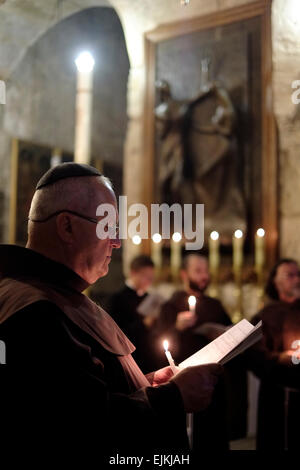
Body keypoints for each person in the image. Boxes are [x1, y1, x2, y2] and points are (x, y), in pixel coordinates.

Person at [0, 163, 222, 460]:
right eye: (108, 227)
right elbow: (75, 426)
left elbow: (82, 390)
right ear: (66, 226)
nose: (116, 242)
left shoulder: (54, 294)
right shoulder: (34, 309)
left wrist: (145, 383)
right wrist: (173, 397)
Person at [155, 254, 236, 452]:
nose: (204, 276)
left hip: (213, 382)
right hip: (183, 383)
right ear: (184, 274)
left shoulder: (215, 305)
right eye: (198, 271)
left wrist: (225, 332)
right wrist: (176, 327)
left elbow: (231, 332)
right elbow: (158, 345)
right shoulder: (170, 306)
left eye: (206, 271)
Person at [246, 258, 300, 450]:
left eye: (298, 275)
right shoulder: (264, 316)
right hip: (275, 393)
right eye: (289, 275)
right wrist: (281, 358)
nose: (296, 279)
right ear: (275, 282)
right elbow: (254, 355)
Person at [109, 255, 158, 373]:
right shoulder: (118, 299)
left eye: (151, 277)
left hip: (149, 356)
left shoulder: (149, 297)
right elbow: (116, 333)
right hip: (130, 359)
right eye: (145, 276)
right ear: (133, 273)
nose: (149, 281)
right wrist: (143, 323)